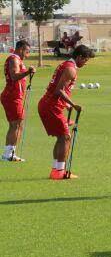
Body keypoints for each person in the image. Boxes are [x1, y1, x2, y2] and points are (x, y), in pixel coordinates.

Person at [38, 45, 95, 180]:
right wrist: (73, 104)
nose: (85, 63)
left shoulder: (66, 64)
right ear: (79, 57)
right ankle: (59, 171)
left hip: (49, 104)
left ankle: (56, 170)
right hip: (52, 106)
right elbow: (59, 90)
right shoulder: (70, 69)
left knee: (61, 137)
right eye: (85, 60)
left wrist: (67, 105)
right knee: (66, 137)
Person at [2, 40, 35, 162]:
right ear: (21, 48)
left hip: (14, 96)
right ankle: (9, 154)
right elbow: (14, 75)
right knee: (17, 125)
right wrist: (27, 72)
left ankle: (8, 153)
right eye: (27, 52)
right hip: (12, 96)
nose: (27, 55)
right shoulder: (14, 59)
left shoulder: (17, 60)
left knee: (15, 125)